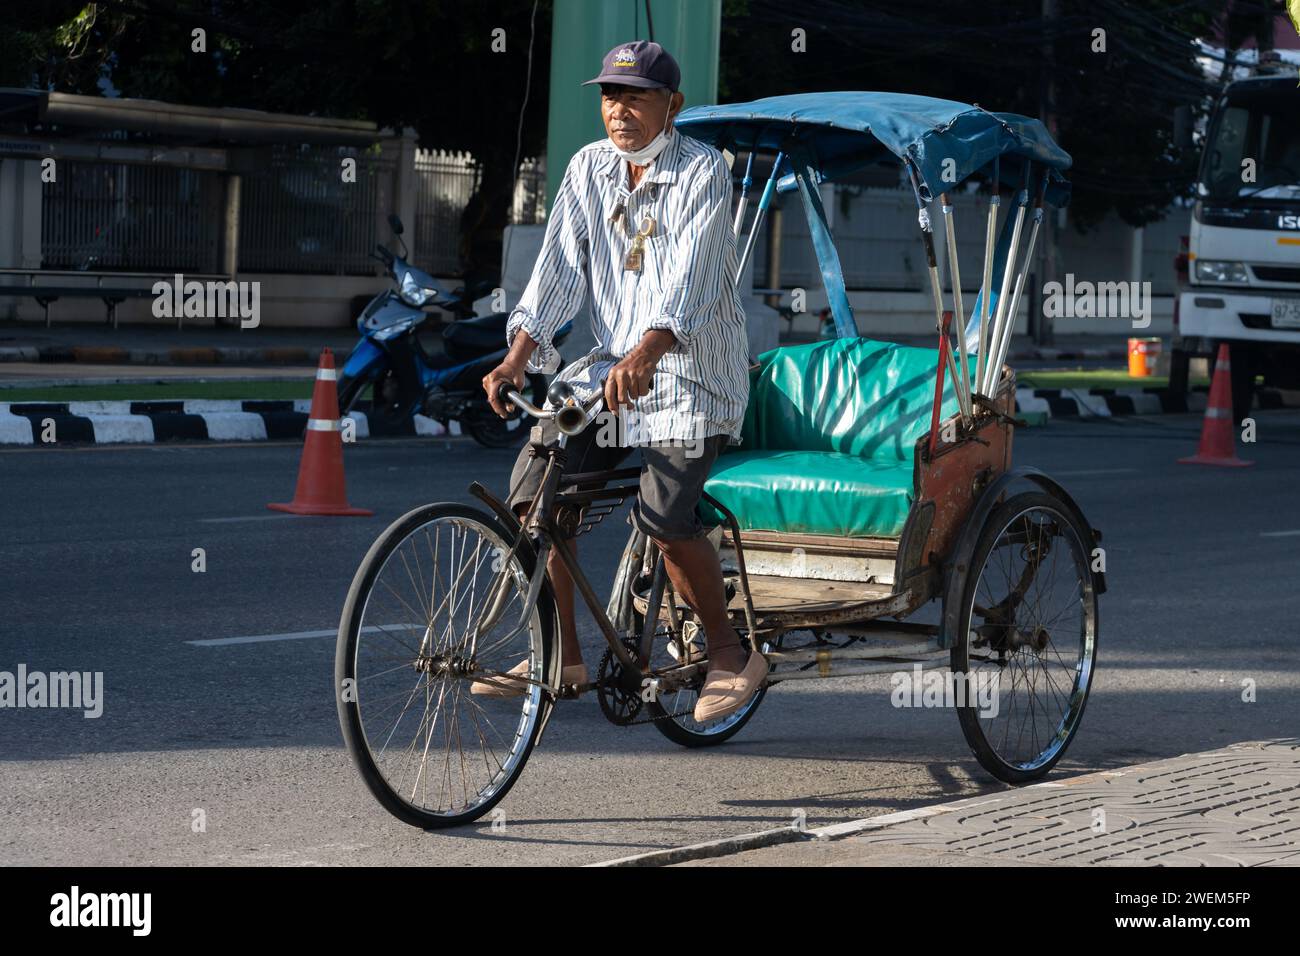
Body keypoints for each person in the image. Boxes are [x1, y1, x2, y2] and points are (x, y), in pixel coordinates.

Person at [472, 40, 764, 722]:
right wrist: (520, 354)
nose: (620, 109)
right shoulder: (588, 169)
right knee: (535, 499)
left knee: (664, 515)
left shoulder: (703, 173)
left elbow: (692, 279)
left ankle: (728, 652)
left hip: (692, 374)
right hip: (609, 375)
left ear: (672, 106)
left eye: (635, 96)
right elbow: (556, 275)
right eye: (610, 96)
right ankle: (560, 653)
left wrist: (651, 350)